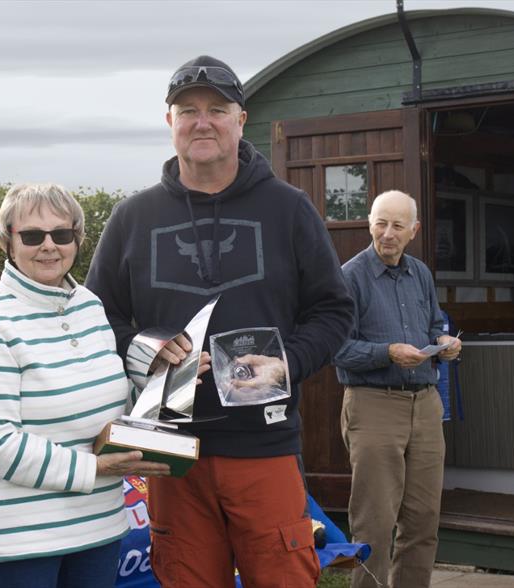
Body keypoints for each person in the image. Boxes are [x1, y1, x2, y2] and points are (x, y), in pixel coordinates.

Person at [85, 56, 354, 588]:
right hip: (170, 449)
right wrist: (144, 348)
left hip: (264, 445)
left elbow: (334, 309)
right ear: (170, 122)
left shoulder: (289, 209)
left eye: (216, 109)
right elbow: (98, 320)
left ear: (241, 120)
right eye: (188, 110)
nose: (201, 122)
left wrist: (287, 364)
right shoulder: (131, 218)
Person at [0, 183, 170, 588]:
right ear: (7, 242)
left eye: (62, 234)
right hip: (22, 538)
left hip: (99, 525)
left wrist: (163, 376)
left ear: (77, 238)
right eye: (33, 236)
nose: (49, 246)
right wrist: (94, 468)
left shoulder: (90, 305)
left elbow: (113, 400)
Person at [333, 190, 462, 588]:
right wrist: (387, 353)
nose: (387, 233)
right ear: (369, 223)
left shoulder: (420, 273)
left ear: (414, 231)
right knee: (374, 523)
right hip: (373, 405)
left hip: (425, 406)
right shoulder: (349, 276)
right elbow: (336, 348)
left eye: (397, 226)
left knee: (423, 521)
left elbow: (434, 326)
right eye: (380, 223)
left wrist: (445, 345)